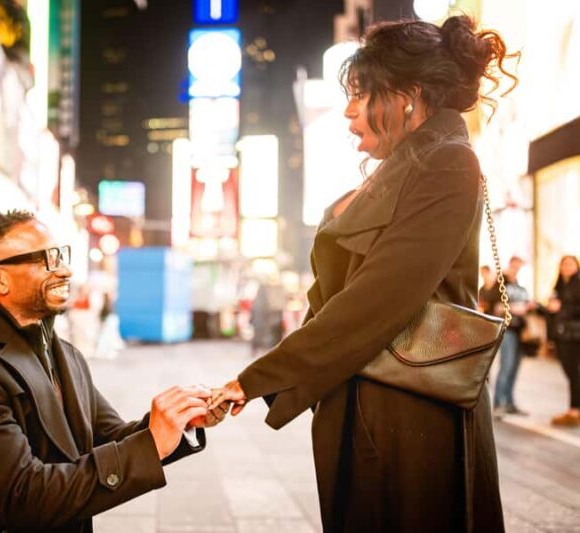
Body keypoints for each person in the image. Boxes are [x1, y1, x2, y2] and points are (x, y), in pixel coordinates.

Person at [210, 15, 516, 532]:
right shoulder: (402, 168)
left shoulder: (447, 162)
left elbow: (377, 299)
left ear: (407, 95)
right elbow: (340, 297)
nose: (349, 112)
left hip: (412, 412)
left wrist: (254, 380)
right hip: (373, 401)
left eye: (361, 95)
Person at [0, 210, 227, 532]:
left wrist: (178, 423)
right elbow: (24, 497)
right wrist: (152, 444)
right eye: (47, 259)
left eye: (61, 255)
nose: (65, 270)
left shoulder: (64, 354)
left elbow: (109, 439)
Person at [488, 256, 534, 416]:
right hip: (507, 329)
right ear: (509, 266)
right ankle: (498, 403)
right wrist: (514, 308)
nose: (516, 269)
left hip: (521, 331)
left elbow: (529, 306)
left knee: (515, 368)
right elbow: (494, 306)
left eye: (519, 266)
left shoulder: (521, 288)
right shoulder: (500, 284)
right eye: (514, 266)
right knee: (506, 367)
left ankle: (509, 402)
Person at [548, 255, 580, 427]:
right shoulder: (560, 285)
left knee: (574, 373)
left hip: (574, 336)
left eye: (570, 264)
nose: (566, 267)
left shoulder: (578, 283)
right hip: (562, 335)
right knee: (571, 372)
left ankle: (575, 410)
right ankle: (574, 408)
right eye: (564, 264)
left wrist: (562, 308)